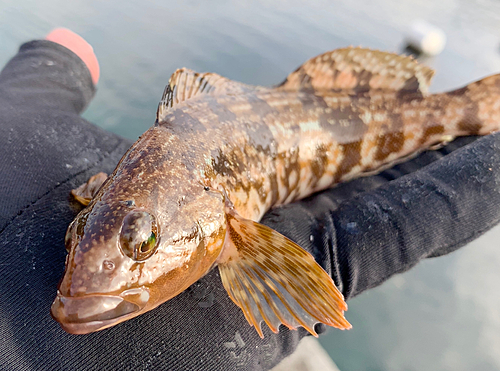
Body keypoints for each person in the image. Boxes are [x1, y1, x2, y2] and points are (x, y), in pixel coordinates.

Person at [0, 28, 499, 371]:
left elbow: (291, 287)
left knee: (459, 124)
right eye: (79, 236)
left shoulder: (210, 214)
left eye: (143, 239)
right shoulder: (120, 196)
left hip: (365, 118)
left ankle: (477, 108)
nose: (76, 286)